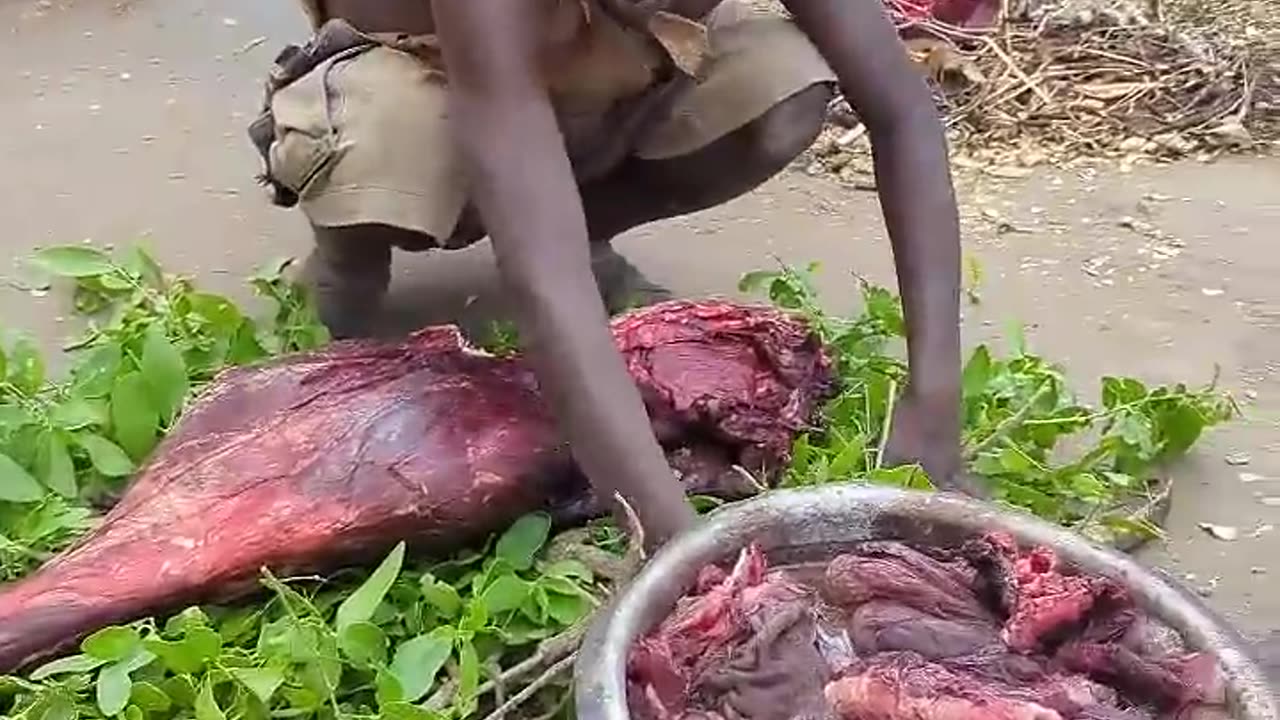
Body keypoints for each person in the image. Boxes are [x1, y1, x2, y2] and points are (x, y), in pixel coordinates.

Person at [248, 0, 964, 551]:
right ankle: (348, 248)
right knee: (388, 148)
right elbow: (542, 271)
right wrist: (665, 529)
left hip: (593, 61)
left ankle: (583, 216)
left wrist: (935, 402)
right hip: (412, 67)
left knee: (783, 84)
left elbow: (900, 110)